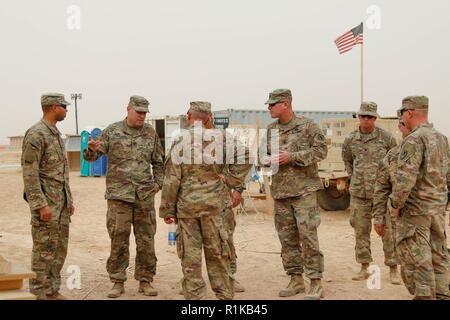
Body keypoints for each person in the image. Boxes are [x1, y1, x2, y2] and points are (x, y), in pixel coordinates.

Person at [159, 101, 251, 300]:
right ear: (209, 118)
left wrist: (167, 210)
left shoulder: (179, 141)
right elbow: (247, 155)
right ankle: (225, 296)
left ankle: (195, 300)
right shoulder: (223, 138)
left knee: (190, 259)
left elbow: (171, 180)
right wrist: (230, 179)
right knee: (218, 255)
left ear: (189, 117)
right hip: (215, 208)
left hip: (187, 210)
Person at [83, 95, 164, 298]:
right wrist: (89, 149)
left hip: (144, 196)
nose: (142, 116)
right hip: (119, 197)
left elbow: (159, 162)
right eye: (138, 112)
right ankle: (117, 281)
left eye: (145, 113)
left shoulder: (150, 133)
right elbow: (92, 157)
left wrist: (157, 184)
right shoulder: (112, 131)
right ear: (128, 109)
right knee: (118, 238)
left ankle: (145, 281)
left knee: (146, 239)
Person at [265, 89, 327, 300]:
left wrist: (291, 157)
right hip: (281, 192)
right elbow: (266, 154)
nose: (269, 108)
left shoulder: (308, 126)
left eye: (272, 104)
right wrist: (266, 159)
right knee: (287, 239)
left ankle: (316, 282)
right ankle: (295, 279)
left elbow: (321, 152)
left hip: (304, 192)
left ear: (285, 104)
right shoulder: (271, 129)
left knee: (308, 236)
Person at [391, 96, 450, 300]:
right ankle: (443, 295)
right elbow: (448, 176)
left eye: (402, 114)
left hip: (417, 213)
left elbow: (405, 179)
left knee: (419, 261)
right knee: (439, 257)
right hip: (437, 210)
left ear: (409, 113)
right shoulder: (442, 138)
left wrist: (395, 205)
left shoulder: (414, 139)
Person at [21, 93, 74, 300]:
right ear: (53, 107)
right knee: (43, 250)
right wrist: (40, 204)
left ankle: (52, 290)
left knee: (59, 249)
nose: (66, 109)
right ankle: (38, 293)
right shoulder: (36, 134)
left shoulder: (55, 134)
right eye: (63, 106)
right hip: (47, 206)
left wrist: (69, 200)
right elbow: (30, 172)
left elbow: (60, 173)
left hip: (61, 205)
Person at [342, 102, 399, 283]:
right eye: (363, 116)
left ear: (375, 118)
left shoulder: (387, 138)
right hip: (359, 194)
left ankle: (393, 268)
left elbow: (394, 163)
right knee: (361, 231)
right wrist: (356, 178)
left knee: (388, 231)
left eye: (370, 117)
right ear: (359, 117)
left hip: (381, 195)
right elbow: (348, 161)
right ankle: (364, 267)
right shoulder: (350, 139)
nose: (366, 120)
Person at [372, 120, 411, 286]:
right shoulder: (392, 156)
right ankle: (393, 269)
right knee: (390, 239)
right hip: (396, 209)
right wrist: (378, 217)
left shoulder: (429, 151)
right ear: (400, 128)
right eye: (404, 126)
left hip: (420, 210)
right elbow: (381, 188)